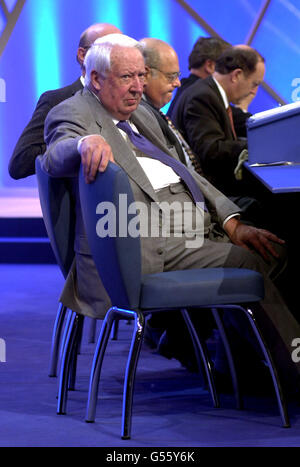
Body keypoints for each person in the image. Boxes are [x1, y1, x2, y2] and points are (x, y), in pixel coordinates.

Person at [41, 33, 300, 396]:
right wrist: (84, 143)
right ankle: (290, 371)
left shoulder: (140, 113)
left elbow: (188, 174)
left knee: (275, 247)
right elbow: (53, 156)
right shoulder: (74, 112)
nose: (137, 87)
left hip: (190, 227)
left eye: (141, 76)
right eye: (126, 78)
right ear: (96, 79)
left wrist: (231, 222)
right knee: (256, 261)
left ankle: (239, 365)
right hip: (146, 245)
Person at [8, 23, 122, 180]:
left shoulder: (134, 103)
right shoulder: (57, 101)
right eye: (109, 51)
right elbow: (20, 162)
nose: (119, 59)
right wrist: (78, 145)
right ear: (83, 55)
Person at [169, 46, 265, 204]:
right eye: (254, 83)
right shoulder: (202, 96)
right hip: (208, 196)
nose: (253, 91)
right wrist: (256, 147)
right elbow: (210, 150)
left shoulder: (212, 94)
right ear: (236, 75)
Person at [167, 36, 230, 117]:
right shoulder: (203, 97)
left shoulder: (186, 88)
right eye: (228, 68)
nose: (232, 77)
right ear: (210, 66)